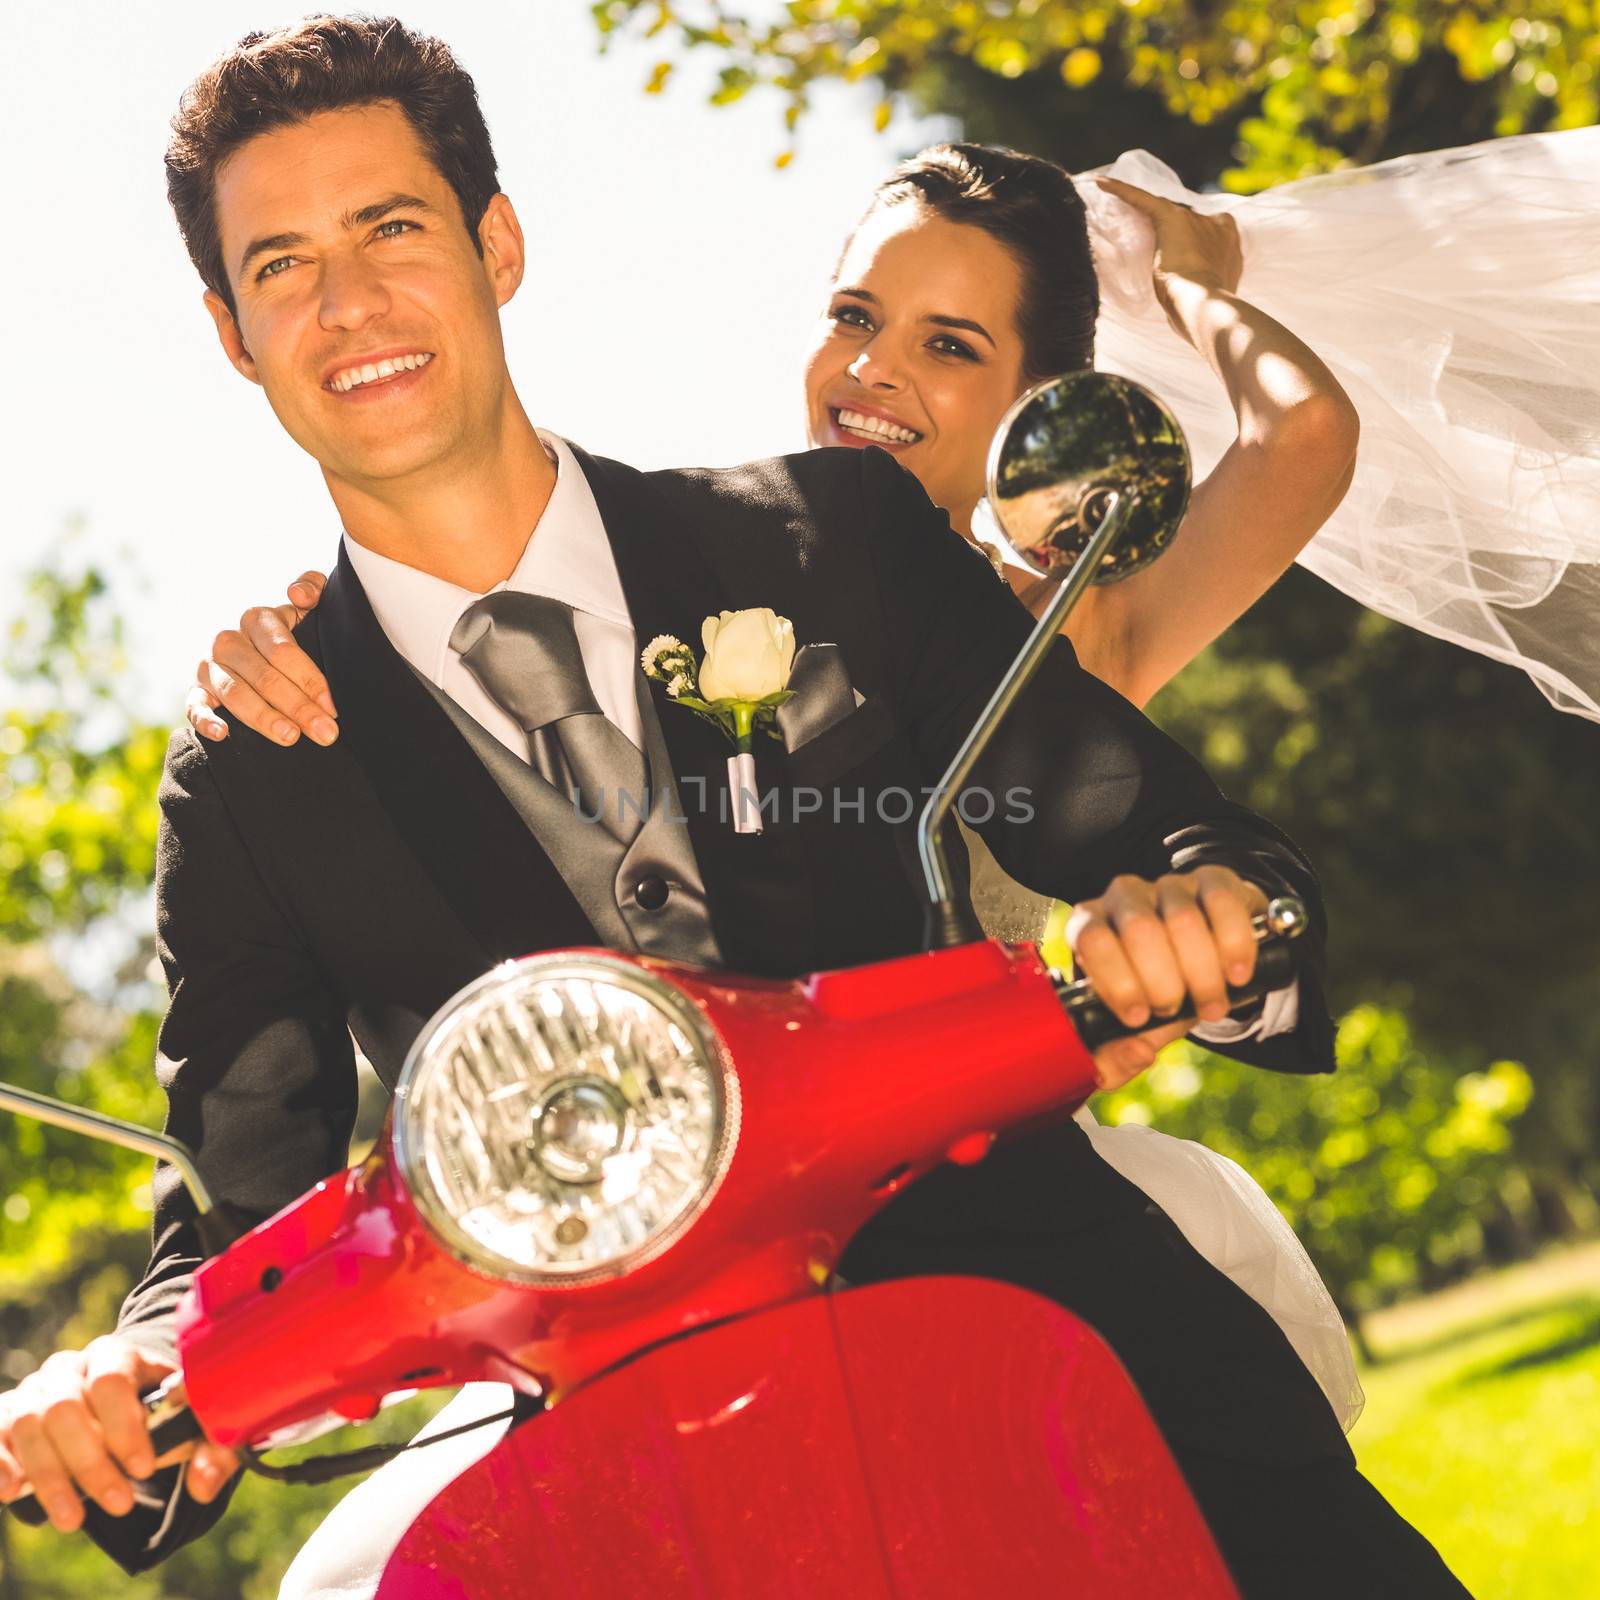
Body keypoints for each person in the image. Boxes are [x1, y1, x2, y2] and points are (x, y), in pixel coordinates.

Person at [0, 16, 1468, 1600]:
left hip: (1075, 1353)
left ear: (496, 242)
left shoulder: (831, 536)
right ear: (232, 332)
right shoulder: (249, 781)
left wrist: (1204, 914)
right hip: (661, 1505)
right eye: (280, 265)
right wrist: (116, 1394)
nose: (349, 302)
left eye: (393, 228)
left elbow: (1168, 837)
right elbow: (240, 1209)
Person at [191, 140, 1370, 1423]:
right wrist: (353, 647)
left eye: (951, 347)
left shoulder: (1069, 621)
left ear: (1042, 401)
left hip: (999, 1242)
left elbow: (1302, 440)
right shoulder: (766, 550)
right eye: (856, 319)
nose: (876, 372)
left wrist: (1191, 284)